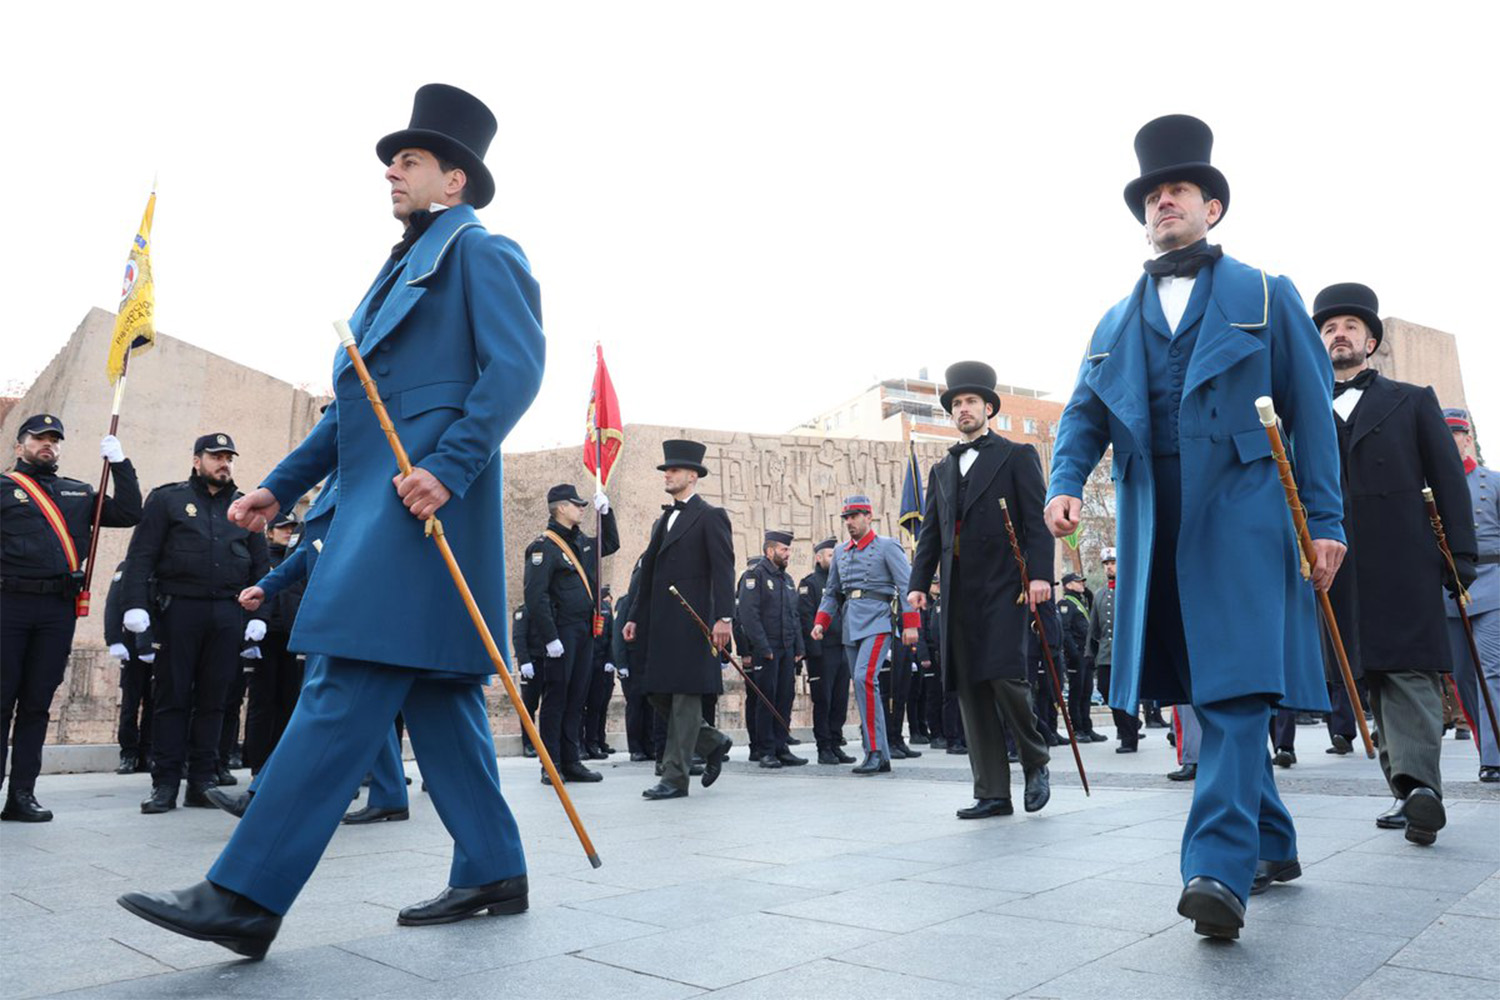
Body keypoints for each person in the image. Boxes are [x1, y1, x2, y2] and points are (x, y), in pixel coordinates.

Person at [118, 83, 545, 957]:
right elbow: (353, 410)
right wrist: (280, 485)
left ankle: (244, 893)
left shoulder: (482, 254)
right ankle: (495, 866)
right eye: (395, 158)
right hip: (381, 504)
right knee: (435, 689)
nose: (393, 167)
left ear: (454, 181)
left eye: (412, 158)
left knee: (344, 677)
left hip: (416, 512)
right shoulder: (404, 265)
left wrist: (448, 468)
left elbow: (517, 371)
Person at [1045, 115, 1345, 939]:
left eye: (1177, 190)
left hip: (1247, 513)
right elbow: (1080, 417)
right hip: (1154, 522)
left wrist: (1327, 521)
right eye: (1152, 195)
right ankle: (1274, 840)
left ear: (1212, 208)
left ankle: (1215, 866)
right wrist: (1064, 482)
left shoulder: (1267, 293)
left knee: (1239, 683)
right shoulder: (1112, 322)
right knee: (1204, 688)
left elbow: (1313, 418)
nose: (1163, 201)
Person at [1313, 281, 1476, 843]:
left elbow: (1449, 481)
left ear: (1371, 340)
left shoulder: (1412, 399)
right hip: (1336, 565)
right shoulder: (1300, 408)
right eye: (1329, 328)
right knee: (1368, 674)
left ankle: (1418, 787)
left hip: (1404, 555)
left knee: (1407, 669)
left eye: (1351, 326)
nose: (1340, 334)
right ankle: (1410, 792)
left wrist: (1460, 559)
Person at [908, 361, 1052, 817]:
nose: (963, 409)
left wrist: (1039, 575)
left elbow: (1036, 522)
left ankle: (1035, 761)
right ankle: (992, 791)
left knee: (1006, 678)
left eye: (970, 401)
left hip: (1005, 587)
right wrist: (917, 584)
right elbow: (931, 531)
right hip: (956, 594)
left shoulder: (1016, 455)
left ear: (989, 407)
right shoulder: (941, 469)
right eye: (956, 404)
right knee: (970, 689)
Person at [2, 415, 142, 821]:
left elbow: (130, 511)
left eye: (54, 440)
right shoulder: (4, 488)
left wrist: (120, 464)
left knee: (36, 704)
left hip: (56, 610)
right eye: (38, 438)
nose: (48, 445)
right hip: (8, 604)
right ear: (19, 446)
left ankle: (22, 795)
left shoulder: (78, 492)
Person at [120, 433, 269, 814]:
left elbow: (259, 566)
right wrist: (135, 605)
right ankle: (165, 782)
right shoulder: (168, 500)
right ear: (196, 460)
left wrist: (259, 616)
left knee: (214, 699)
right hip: (179, 610)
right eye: (215, 456)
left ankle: (202, 780)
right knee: (171, 697)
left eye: (228, 457)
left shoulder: (244, 506)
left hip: (226, 612)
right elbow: (141, 557)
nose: (223, 463)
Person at [623, 439, 736, 800]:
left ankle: (674, 778)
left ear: (692, 475)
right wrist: (634, 616)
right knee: (656, 692)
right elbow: (649, 573)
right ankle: (713, 741)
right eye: (666, 470)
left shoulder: (711, 516)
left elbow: (724, 570)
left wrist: (724, 618)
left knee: (685, 698)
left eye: (673, 470)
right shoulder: (663, 519)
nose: (667, 474)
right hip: (660, 625)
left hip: (693, 623)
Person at [814, 494, 920, 775]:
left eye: (855, 516)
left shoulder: (887, 547)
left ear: (868, 517)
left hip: (877, 621)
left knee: (864, 678)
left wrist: (911, 625)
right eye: (846, 518)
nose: (850, 522)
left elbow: (907, 585)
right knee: (862, 686)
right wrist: (821, 622)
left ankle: (873, 750)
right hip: (851, 623)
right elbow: (833, 592)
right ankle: (881, 754)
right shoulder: (840, 552)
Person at [522, 482, 617, 784]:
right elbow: (535, 596)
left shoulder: (582, 544)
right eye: (577, 505)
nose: (581, 509)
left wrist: (607, 514)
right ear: (561, 507)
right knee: (557, 698)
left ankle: (571, 760)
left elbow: (611, 544)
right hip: (561, 633)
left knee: (577, 697)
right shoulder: (543, 547)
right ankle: (551, 764)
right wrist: (550, 637)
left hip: (585, 631)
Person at [1442, 408, 1499, 783]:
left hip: (1494, 582)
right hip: (1449, 589)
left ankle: (1494, 758)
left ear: (1469, 439)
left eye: (1459, 433)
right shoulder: (1427, 487)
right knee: (1462, 675)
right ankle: (1486, 746)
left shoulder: (1492, 482)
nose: (1453, 439)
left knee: (1492, 671)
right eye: (1446, 434)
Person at [242, 512, 305, 774]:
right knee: (262, 701)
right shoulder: (261, 559)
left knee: (289, 701)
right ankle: (258, 762)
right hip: (264, 638)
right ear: (270, 532)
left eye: (291, 528)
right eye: (282, 528)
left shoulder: (299, 559)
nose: (287, 532)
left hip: (291, 637)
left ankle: (280, 762)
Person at [739, 530, 807, 768]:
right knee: (766, 700)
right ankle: (765, 749)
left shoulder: (786, 580)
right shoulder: (754, 576)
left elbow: (794, 615)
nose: (787, 554)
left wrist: (799, 646)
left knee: (784, 698)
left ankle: (781, 746)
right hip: (766, 650)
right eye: (783, 549)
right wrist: (762, 646)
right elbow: (748, 615)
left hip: (787, 649)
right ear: (770, 551)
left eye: (788, 549)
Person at [800, 537, 853, 764]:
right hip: (822, 652)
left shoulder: (841, 584)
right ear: (819, 557)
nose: (835, 559)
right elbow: (805, 619)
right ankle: (824, 747)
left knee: (840, 699)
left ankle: (836, 741)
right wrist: (814, 653)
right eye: (831, 555)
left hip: (842, 649)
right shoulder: (810, 584)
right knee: (824, 700)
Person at [104, 561, 156, 774]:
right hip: (132, 643)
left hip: (159, 641)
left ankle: (148, 752)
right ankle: (128, 753)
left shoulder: (167, 563)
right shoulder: (129, 566)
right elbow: (114, 602)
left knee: (155, 701)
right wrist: (114, 639)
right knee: (130, 701)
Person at [1059, 573, 1104, 742]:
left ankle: (1087, 727)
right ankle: (1077, 729)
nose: (1081, 584)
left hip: (1087, 654)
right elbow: (1065, 631)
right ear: (1069, 585)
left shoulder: (1083, 602)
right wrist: (1074, 654)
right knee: (1076, 693)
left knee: (1087, 692)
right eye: (1078, 582)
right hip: (1077, 655)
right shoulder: (1066, 604)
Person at [582, 586, 617, 759]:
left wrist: (611, 660)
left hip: (600, 662)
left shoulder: (605, 607)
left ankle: (593, 742)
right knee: (579, 705)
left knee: (596, 705)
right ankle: (579, 744)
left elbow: (611, 636)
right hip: (583, 661)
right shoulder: (582, 603)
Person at [512, 604, 541, 758]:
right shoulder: (523, 611)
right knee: (529, 706)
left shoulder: (550, 608)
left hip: (548, 662)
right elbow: (518, 637)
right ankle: (528, 743)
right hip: (532, 663)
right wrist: (524, 662)